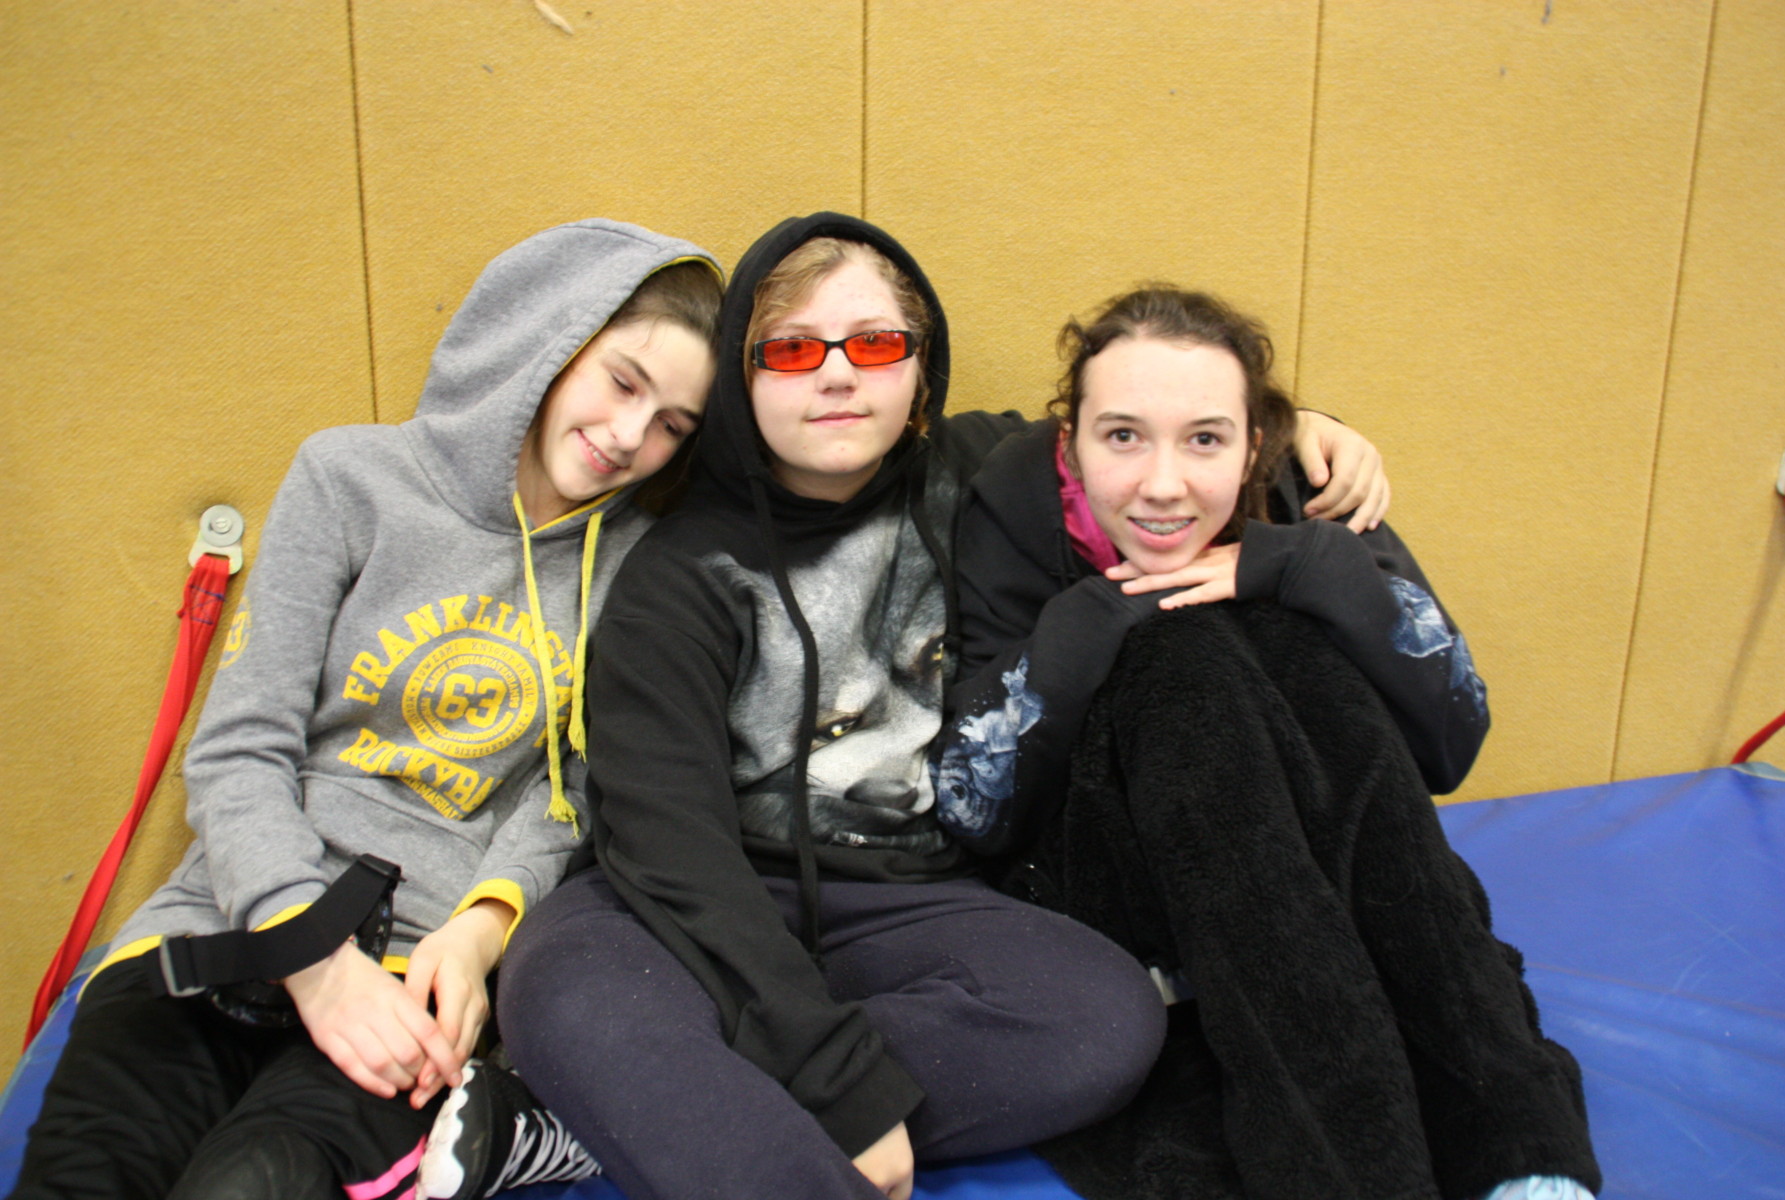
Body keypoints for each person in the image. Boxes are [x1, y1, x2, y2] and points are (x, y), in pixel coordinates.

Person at [465, 215, 1393, 1200]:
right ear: (744, 380)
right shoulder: (678, 575)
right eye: (792, 350)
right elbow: (669, 847)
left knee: (1106, 1020)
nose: (837, 374)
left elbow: (1149, 427)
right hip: (688, 907)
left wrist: (1296, 428)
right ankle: (699, 1101)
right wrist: (840, 1086)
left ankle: (637, 1112)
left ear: (919, 365)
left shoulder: (988, 475)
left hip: (904, 901)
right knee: (561, 990)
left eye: (874, 343)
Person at [9, 218, 722, 1200]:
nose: (632, 437)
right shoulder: (350, 480)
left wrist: (481, 933)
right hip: (231, 921)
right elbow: (237, 750)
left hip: (418, 965)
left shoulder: (638, 564)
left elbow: (577, 792)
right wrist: (308, 954)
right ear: (552, 346)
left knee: (259, 1182)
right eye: (623, 382)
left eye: (674, 424)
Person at [937, 286, 1601, 1200]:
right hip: (1115, 879)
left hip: (1321, 864)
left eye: (1204, 440)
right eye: (1122, 436)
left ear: (1253, 444)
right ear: (1072, 439)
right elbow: (976, 805)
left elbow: (1450, 739)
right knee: (1180, 653)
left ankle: (1524, 1155)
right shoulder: (1014, 496)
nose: (1163, 483)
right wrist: (1109, 612)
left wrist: (1299, 563)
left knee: (1297, 645)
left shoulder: (1301, 486)